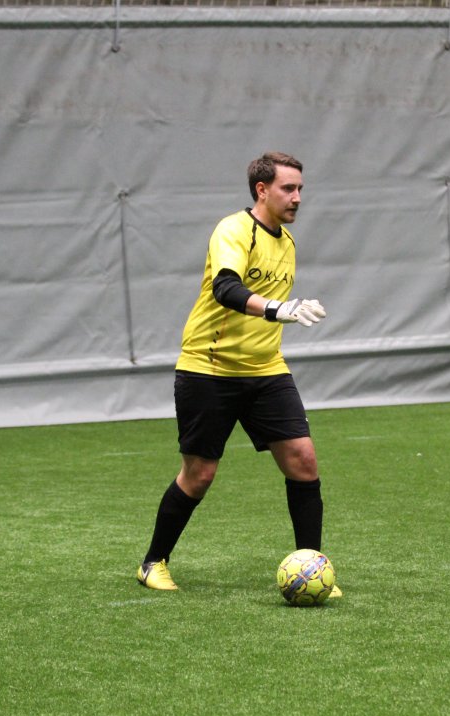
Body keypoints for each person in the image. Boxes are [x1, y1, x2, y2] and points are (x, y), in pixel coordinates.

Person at [136, 151, 340, 598]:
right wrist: (277, 308)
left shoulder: (287, 243)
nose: (297, 197)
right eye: (288, 188)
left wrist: (286, 309)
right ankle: (153, 562)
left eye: (301, 189)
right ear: (262, 190)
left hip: (267, 369)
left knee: (303, 461)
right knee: (199, 475)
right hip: (209, 369)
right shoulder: (233, 230)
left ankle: (312, 565)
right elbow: (226, 288)